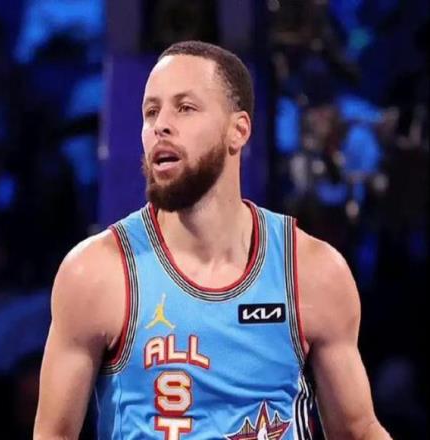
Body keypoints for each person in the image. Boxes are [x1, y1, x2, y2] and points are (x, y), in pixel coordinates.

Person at [34, 41, 391, 439]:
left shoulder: (312, 271)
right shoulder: (97, 272)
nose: (160, 125)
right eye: (151, 112)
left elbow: (359, 431)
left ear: (238, 131)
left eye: (185, 108)